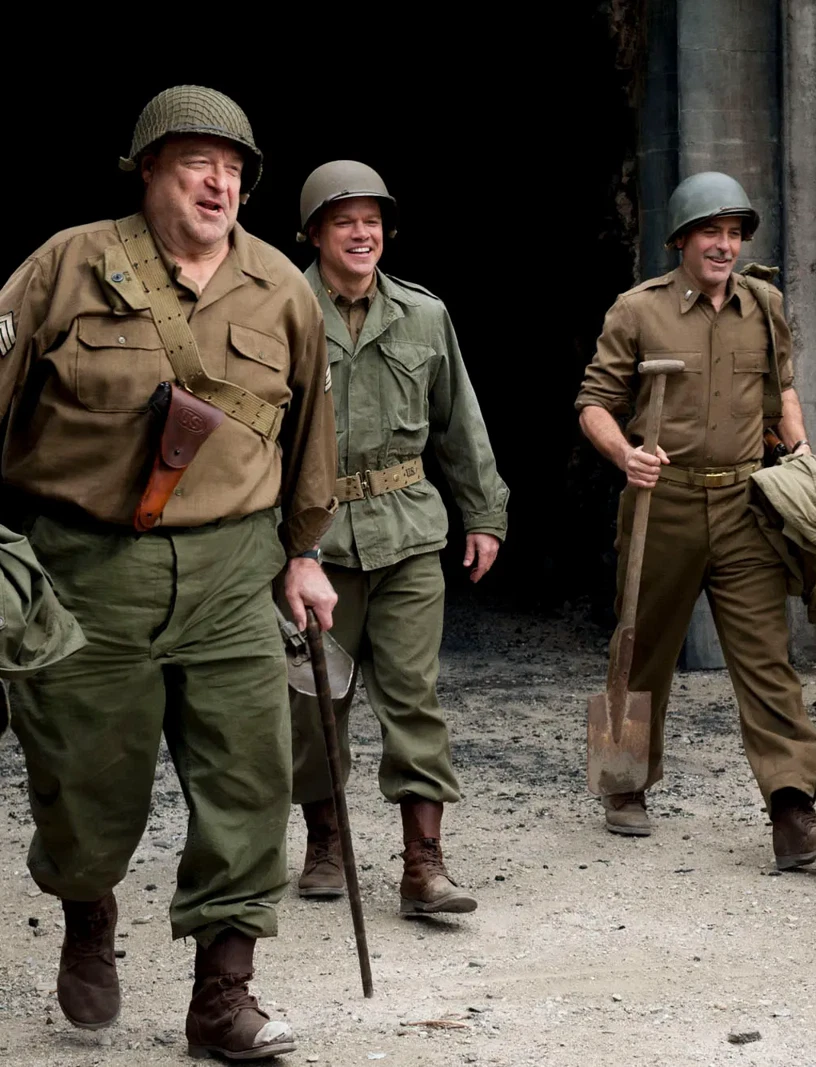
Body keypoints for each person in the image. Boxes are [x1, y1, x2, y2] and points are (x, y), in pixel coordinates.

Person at [0, 85, 337, 1058]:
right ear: (148, 169)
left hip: (233, 567)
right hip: (88, 567)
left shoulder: (283, 289)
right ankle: (85, 903)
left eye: (233, 168)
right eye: (197, 162)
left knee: (250, 774)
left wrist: (303, 554)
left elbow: (313, 433)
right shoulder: (69, 263)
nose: (219, 181)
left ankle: (223, 996)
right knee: (83, 778)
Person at [575, 171, 816, 870]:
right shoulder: (638, 312)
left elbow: (782, 388)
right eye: (711, 232)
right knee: (643, 650)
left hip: (743, 505)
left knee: (767, 660)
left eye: (734, 234)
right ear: (681, 240)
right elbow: (593, 403)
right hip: (660, 504)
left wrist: (798, 451)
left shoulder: (764, 304)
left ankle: (793, 810)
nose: (724, 245)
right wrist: (626, 453)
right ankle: (624, 782)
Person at [287, 160, 508, 916]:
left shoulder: (422, 315)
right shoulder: (280, 311)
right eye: (344, 219)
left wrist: (484, 514)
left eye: (372, 220)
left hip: (409, 532)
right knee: (316, 701)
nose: (361, 232)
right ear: (315, 231)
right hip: (315, 544)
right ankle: (325, 839)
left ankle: (424, 863)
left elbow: (459, 422)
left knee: (413, 696)